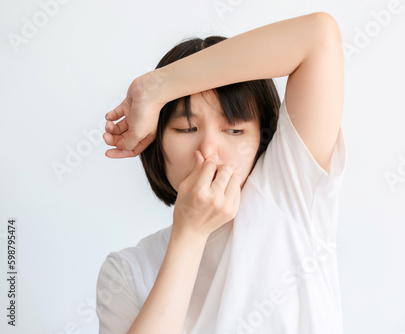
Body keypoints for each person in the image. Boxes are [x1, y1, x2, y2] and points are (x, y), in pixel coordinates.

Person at [96, 11, 346, 334]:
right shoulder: (127, 272)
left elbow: (319, 36)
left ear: (262, 141)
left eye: (234, 131)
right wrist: (190, 233)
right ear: (156, 144)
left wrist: (157, 87)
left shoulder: (288, 189)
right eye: (187, 129)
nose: (209, 150)